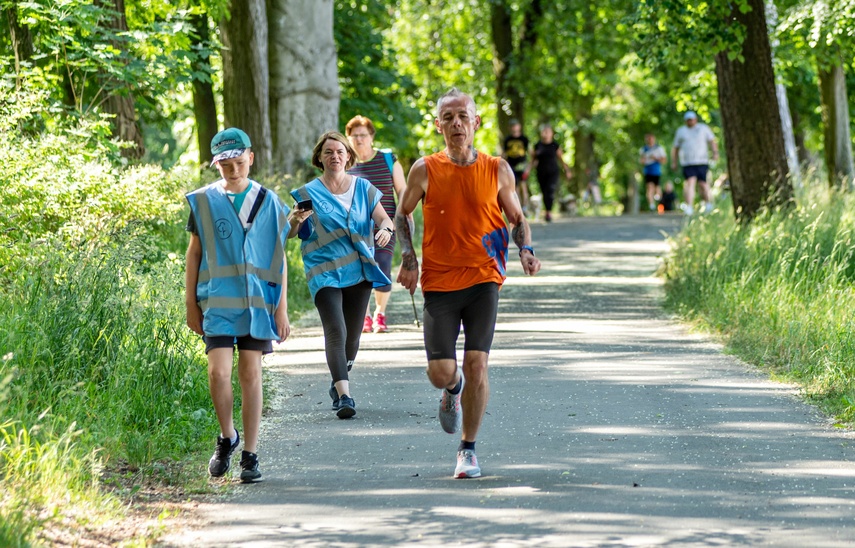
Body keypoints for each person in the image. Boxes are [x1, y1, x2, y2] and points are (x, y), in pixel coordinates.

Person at [395, 88, 542, 479]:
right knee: (440, 372)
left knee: (478, 364)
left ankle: (468, 449)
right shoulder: (424, 169)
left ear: (476, 122)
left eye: (463, 116)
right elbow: (402, 214)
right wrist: (408, 258)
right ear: (438, 125)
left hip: (484, 278)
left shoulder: (498, 169)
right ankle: (452, 389)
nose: (456, 124)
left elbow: (517, 218)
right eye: (448, 117)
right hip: (440, 281)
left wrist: (526, 249)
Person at [185, 127, 291, 483]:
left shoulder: (270, 200)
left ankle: (250, 455)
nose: (233, 168)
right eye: (226, 163)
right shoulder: (203, 201)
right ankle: (228, 436)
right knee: (217, 373)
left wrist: (282, 309)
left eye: (239, 160)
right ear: (217, 164)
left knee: (250, 373)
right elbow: (195, 253)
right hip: (216, 302)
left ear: (251, 157)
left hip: (259, 304)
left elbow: (279, 257)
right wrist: (190, 304)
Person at [288, 131, 394, 419]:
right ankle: (345, 396)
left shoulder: (364, 188)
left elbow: (383, 218)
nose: (334, 156)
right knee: (336, 330)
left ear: (348, 157)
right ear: (319, 159)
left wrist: (385, 229)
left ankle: (338, 378)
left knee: (353, 337)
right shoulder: (307, 193)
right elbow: (290, 233)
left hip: (359, 270)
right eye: (328, 152)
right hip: (324, 272)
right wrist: (294, 222)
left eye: (339, 151)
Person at [345, 115, 407, 334]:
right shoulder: (345, 164)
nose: (359, 139)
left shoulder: (388, 159)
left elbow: (402, 192)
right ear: (348, 138)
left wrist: (404, 216)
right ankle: (365, 315)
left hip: (386, 225)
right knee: (359, 270)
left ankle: (380, 312)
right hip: (355, 227)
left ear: (371, 136)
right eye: (354, 136)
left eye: (363, 135)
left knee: (382, 264)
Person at [671, 111, 719, 215]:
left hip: (702, 161)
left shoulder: (703, 128)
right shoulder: (681, 131)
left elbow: (712, 141)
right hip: (687, 162)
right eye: (688, 120)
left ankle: (708, 203)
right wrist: (674, 162)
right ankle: (689, 206)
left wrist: (715, 153)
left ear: (695, 119)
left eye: (691, 119)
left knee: (703, 184)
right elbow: (675, 148)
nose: (690, 122)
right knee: (690, 182)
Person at [523, 124, 571, 222]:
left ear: (551, 133)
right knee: (544, 192)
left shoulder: (555, 145)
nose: (545, 134)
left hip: (553, 172)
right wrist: (527, 170)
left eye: (548, 132)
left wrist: (567, 170)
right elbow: (532, 160)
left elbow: (561, 159)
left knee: (550, 190)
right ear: (541, 133)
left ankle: (548, 212)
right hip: (541, 171)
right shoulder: (537, 146)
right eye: (544, 132)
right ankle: (547, 211)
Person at [501, 119, 530, 215]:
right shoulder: (507, 140)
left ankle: (525, 207)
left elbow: (530, 152)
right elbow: (504, 153)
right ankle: (519, 207)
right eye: (512, 126)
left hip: (522, 165)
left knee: (523, 186)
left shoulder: (524, 139)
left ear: (519, 127)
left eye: (515, 125)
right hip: (511, 166)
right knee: (515, 187)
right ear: (509, 128)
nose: (514, 128)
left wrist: (529, 166)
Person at [639, 133, 667, 211]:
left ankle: (658, 200)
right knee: (650, 187)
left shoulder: (659, 148)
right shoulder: (643, 149)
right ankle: (651, 205)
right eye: (648, 139)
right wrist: (644, 159)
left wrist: (655, 158)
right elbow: (641, 161)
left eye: (651, 138)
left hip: (657, 171)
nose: (650, 140)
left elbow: (664, 160)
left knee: (657, 188)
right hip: (648, 171)